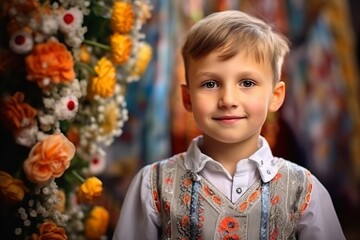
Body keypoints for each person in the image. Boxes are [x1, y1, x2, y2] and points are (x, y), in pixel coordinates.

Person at [113, 10, 345, 240]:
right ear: (187, 98)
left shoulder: (304, 191)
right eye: (211, 84)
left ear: (275, 96)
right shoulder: (152, 186)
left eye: (247, 82)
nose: (228, 100)